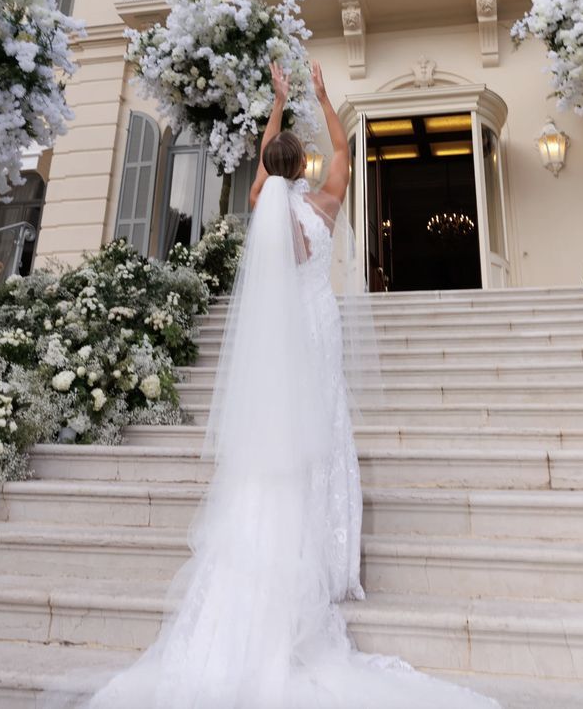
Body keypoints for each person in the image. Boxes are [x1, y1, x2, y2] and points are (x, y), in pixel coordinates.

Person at [58, 62, 500, 709]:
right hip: (318, 327)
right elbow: (347, 150)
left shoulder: (263, 204)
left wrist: (277, 101)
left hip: (280, 334)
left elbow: (266, 168)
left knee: (283, 435)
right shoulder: (325, 201)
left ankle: (282, 545)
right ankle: (328, 553)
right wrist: (320, 98)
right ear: (308, 164)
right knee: (324, 428)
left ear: (267, 165)